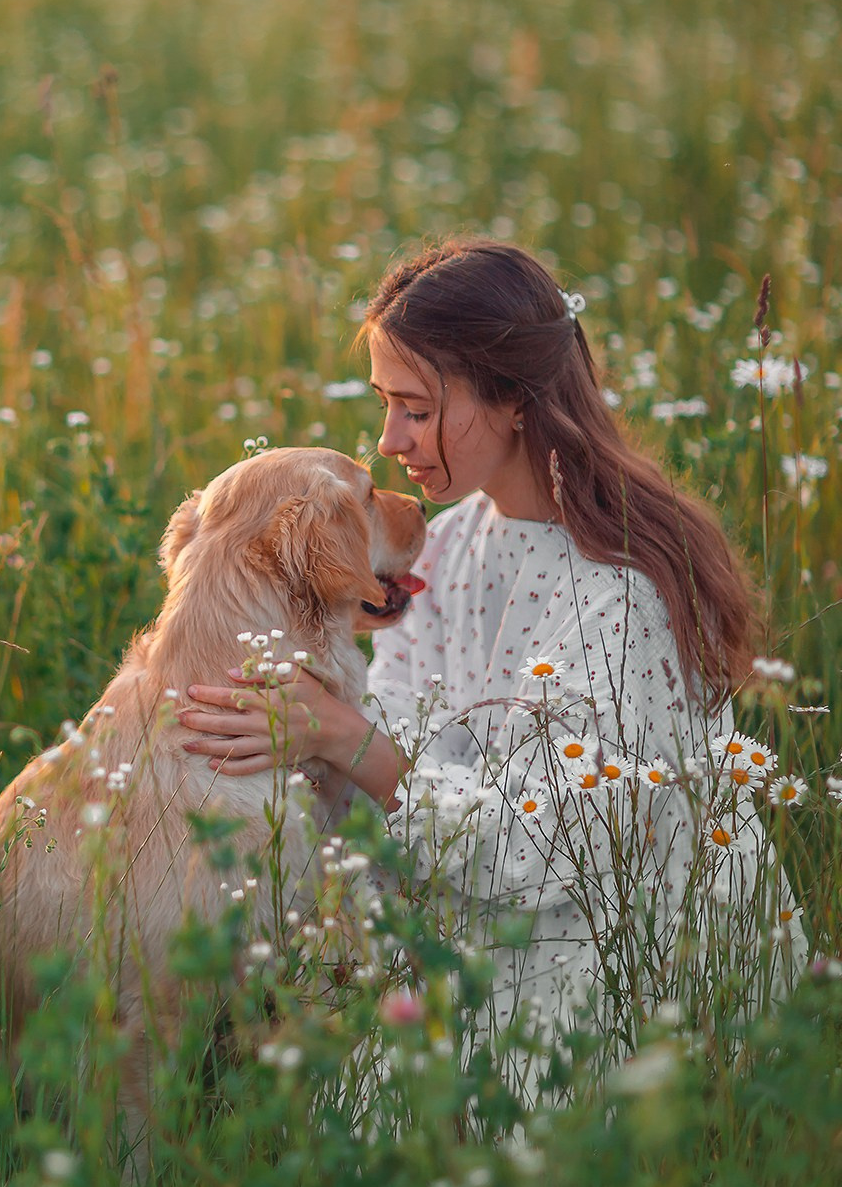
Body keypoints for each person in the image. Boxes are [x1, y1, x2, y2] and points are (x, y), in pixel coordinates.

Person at [180, 238, 804, 1092]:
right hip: (468, 890)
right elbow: (403, 727)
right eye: (386, 406)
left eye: (417, 410)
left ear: (513, 400)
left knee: (422, 1107)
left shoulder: (623, 597)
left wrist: (338, 734)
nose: (389, 440)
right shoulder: (456, 542)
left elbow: (546, 854)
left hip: (617, 947)